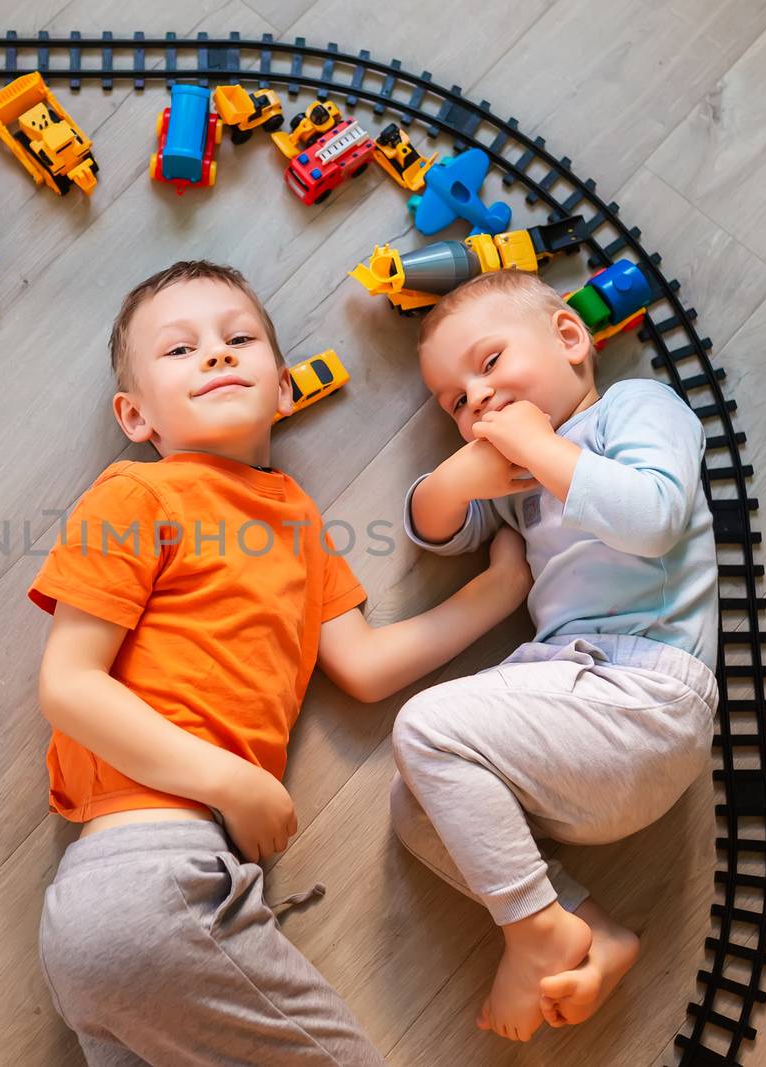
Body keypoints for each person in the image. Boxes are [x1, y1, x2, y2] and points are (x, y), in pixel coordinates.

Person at [30, 260, 533, 1065]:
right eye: (181, 350)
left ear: (286, 387)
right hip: (153, 870)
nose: (217, 356)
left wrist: (499, 592)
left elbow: (363, 665)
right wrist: (230, 780)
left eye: (238, 340)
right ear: (134, 414)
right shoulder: (138, 494)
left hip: (125, 916)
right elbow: (68, 683)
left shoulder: (294, 518)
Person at [392, 268, 719, 1041]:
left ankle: (531, 928)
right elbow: (435, 528)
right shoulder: (509, 476)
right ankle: (588, 928)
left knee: (425, 727)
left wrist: (542, 448)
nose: (476, 399)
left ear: (570, 338)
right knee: (417, 807)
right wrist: (453, 477)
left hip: (643, 694)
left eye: (490, 362)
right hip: (580, 743)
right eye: (454, 401)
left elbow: (652, 517)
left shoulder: (632, 409)